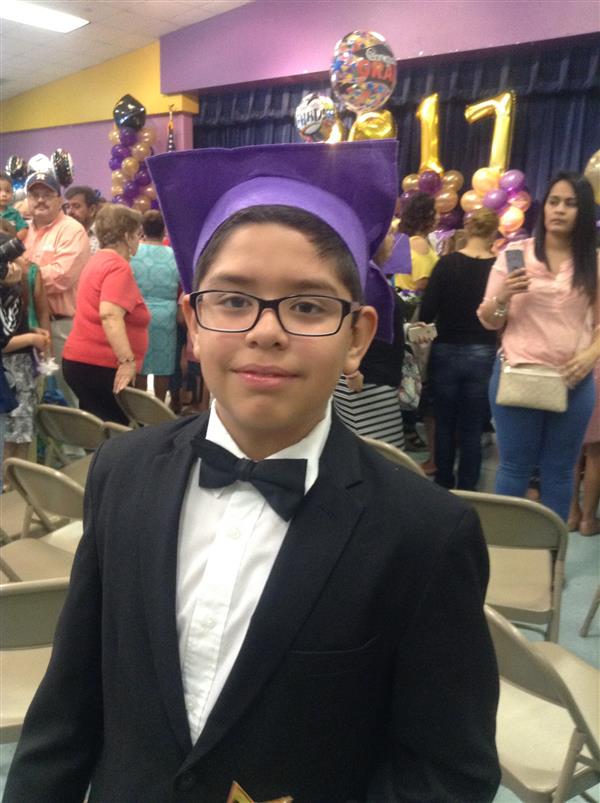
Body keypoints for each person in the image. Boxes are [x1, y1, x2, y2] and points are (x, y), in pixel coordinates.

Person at [5, 142, 500, 803]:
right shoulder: (122, 472)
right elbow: (68, 705)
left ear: (358, 336)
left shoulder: (425, 534)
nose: (266, 332)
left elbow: (447, 774)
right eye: (233, 301)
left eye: (308, 306)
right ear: (193, 321)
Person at [478, 171, 599, 521]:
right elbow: (489, 320)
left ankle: (552, 550)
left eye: (570, 203)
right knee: (514, 468)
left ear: (583, 211)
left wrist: (591, 353)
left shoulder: (593, 262)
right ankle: (507, 548)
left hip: (574, 381)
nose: (559, 210)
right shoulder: (516, 254)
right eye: (554, 201)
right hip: (518, 374)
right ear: (543, 207)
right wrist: (504, 295)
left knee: (560, 472)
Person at [421, 207, 499, 490]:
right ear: (494, 232)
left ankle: (443, 482)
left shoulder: (446, 264)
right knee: (472, 426)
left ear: (468, 228)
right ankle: (469, 487)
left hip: (446, 349)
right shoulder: (498, 268)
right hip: (483, 352)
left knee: (444, 422)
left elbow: (427, 312)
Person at [61, 204, 150, 424]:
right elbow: (110, 315)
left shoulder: (97, 260)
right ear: (126, 236)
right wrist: (127, 361)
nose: (139, 240)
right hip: (101, 366)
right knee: (114, 431)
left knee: (95, 429)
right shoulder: (118, 267)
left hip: (81, 362)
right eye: (137, 234)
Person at [333, 226, 406, 448]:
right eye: (389, 234)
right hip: (367, 379)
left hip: (370, 376)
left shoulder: (367, 273)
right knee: (379, 451)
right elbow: (350, 324)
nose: (393, 239)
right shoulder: (368, 276)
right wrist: (351, 371)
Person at [23, 170, 90, 408]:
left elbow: (62, 276)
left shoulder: (72, 230)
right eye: (35, 195)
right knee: (31, 396)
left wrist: (20, 278)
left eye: (47, 194)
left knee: (63, 396)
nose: (40, 200)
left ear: (60, 199)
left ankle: (73, 435)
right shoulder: (22, 231)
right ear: (27, 199)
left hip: (60, 326)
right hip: (25, 327)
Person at [0, 220, 51, 472]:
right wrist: (31, 339)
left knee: (21, 432)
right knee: (13, 435)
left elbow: (11, 328)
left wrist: (31, 332)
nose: (20, 263)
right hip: (11, 371)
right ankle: (10, 484)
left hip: (19, 368)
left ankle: (15, 482)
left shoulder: (15, 289)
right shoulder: (7, 292)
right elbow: (3, 341)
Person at [131, 210, 180, 401]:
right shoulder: (174, 256)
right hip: (166, 316)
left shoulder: (134, 253)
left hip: (138, 313)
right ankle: (160, 405)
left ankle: (140, 408)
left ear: (142, 229)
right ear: (163, 230)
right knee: (163, 366)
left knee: (140, 364)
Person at [568, 361, 600, 535]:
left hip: (574, 370)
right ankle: (588, 520)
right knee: (596, 453)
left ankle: (571, 514)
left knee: (571, 450)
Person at [394, 192, 438, 294]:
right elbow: (422, 283)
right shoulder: (419, 244)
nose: (438, 217)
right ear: (427, 216)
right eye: (436, 212)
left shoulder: (406, 240)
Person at [64, 184, 100, 253]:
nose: (69, 212)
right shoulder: (64, 235)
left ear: (92, 210)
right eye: (67, 207)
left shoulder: (103, 237)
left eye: (76, 206)